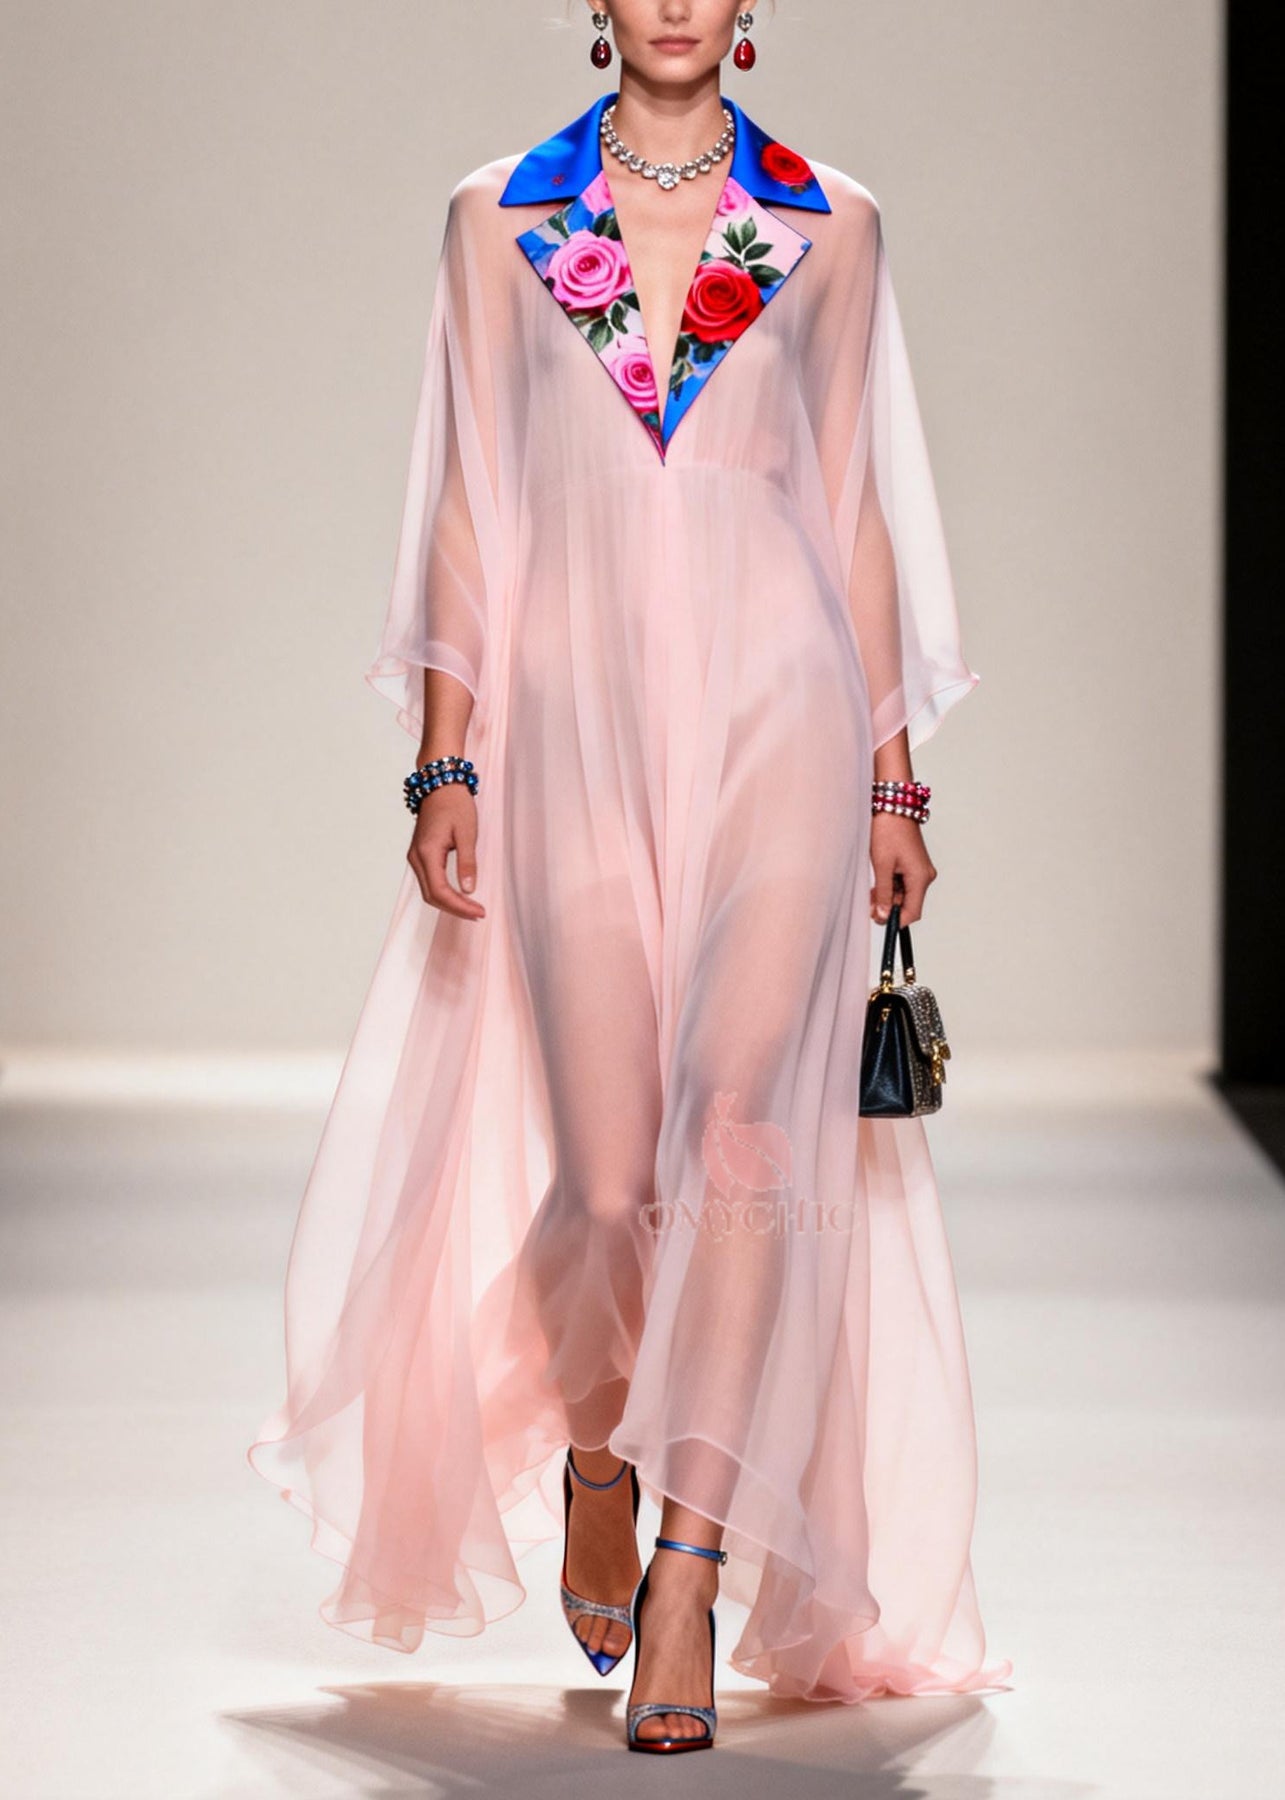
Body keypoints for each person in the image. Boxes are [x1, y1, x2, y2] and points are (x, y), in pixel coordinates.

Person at [248, 0, 1012, 1756]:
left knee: (737, 1142)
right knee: (602, 1185)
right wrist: (444, 756)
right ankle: (601, 1444)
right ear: (592, 4)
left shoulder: (827, 220)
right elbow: (467, 497)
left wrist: (892, 776)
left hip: (780, 719)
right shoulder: (500, 215)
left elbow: (854, 508)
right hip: (569, 723)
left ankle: (688, 1567)